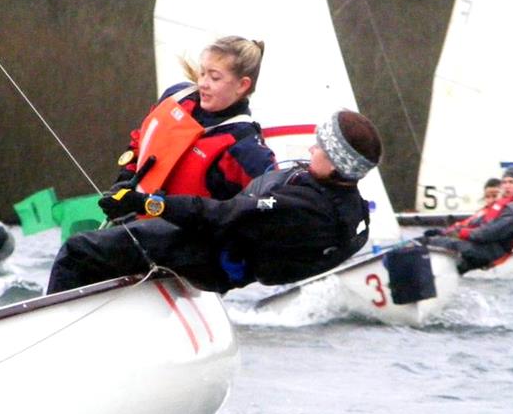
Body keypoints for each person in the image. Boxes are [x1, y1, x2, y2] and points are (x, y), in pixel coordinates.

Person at [47, 110, 381, 294]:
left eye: (320, 147)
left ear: (339, 164)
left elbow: (223, 215)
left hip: (208, 256)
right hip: (221, 252)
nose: (311, 149)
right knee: (117, 242)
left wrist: (145, 202)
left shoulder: (305, 208)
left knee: (77, 251)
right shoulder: (346, 202)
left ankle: (42, 342)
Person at [114, 35, 276, 200]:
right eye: (202, 72)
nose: (203, 83)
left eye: (215, 78)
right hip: (132, 214)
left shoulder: (246, 147)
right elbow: (141, 139)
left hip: (180, 224)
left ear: (242, 85)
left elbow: (271, 204)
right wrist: (126, 176)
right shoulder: (177, 96)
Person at [423, 167, 513, 274]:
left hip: (493, 253)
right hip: (482, 247)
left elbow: (488, 233)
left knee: (439, 243)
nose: (507, 186)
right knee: (427, 240)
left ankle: (432, 273)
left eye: (511, 182)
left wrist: (459, 233)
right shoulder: (500, 206)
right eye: (504, 182)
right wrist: (443, 232)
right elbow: (472, 224)